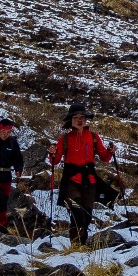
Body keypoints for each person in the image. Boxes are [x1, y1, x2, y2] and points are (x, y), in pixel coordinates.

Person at [49, 105, 114, 246]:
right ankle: (76, 244)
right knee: (77, 211)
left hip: (90, 180)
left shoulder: (93, 137)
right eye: (76, 117)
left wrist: (110, 151)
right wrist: (52, 153)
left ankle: (79, 245)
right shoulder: (64, 139)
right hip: (71, 180)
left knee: (87, 215)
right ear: (70, 120)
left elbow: (104, 157)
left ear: (86, 120)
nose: (79, 120)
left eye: (82, 117)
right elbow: (55, 161)